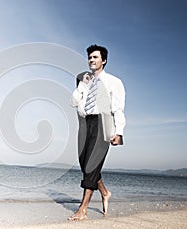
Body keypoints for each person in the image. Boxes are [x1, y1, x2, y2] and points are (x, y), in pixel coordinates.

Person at [69, 44, 126, 220]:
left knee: (91, 165)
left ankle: (83, 209)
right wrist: (82, 86)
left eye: (95, 57)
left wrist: (119, 132)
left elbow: (118, 108)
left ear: (104, 60)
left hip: (104, 123)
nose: (91, 60)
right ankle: (104, 192)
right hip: (86, 124)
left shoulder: (114, 82)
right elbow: (73, 102)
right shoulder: (83, 80)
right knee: (84, 163)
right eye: (90, 57)